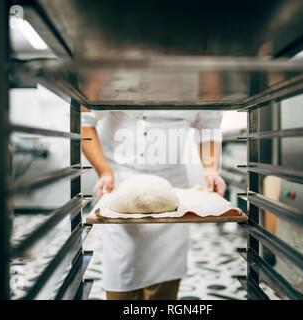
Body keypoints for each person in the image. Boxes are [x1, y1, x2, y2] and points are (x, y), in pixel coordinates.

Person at [80, 72, 226, 300]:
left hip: (172, 185)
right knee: (122, 267)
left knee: (166, 271)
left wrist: (210, 168)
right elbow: (84, 120)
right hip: (121, 183)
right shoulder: (115, 60)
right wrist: (104, 171)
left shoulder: (202, 69)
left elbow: (209, 124)